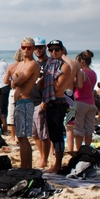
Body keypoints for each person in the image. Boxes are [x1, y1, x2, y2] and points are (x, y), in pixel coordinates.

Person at [41, 40, 72, 173]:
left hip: (58, 102)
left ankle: (58, 165)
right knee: (53, 135)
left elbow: (59, 88)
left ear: (62, 50)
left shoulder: (64, 66)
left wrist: (47, 78)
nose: (54, 52)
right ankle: (56, 164)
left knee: (58, 135)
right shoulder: (49, 64)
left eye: (56, 50)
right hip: (49, 102)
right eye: (51, 50)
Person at [10, 38, 40, 169]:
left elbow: (16, 82)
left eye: (29, 48)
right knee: (21, 137)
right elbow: (12, 82)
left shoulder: (32, 64)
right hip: (19, 102)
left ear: (33, 49)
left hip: (25, 102)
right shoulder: (21, 64)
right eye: (23, 47)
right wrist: (15, 76)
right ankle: (25, 167)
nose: (26, 50)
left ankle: (25, 167)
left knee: (23, 137)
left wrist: (15, 75)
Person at [31, 37, 51, 168]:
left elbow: (53, 84)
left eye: (40, 47)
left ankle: (44, 158)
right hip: (31, 100)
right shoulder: (34, 64)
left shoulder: (50, 63)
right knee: (34, 134)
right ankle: (42, 155)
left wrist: (45, 100)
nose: (37, 50)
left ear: (45, 48)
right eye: (35, 47)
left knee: (43, 134)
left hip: (42, 101)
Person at [73, 50, 98, 150]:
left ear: (82, 61)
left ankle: (79, 150)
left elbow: (80, 85)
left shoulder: (81, 73)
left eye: (77, 62)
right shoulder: (94, 73)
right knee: (89, 129)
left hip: (80, 102)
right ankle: (87, 149)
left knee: (78, 129)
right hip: (91, 103)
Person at [61, 48, 80, 152]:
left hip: (59, 94)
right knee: (70, 125)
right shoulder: (75, 63)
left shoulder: (57, 62)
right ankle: (70, 149)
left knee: (55, 123)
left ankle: (52, 150)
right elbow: (80, 84)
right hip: (70, 95)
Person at [4, 49, 24, 143]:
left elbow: (5, 81)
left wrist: (12, 81)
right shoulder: (26, 66)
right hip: (24, 90)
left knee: (12, 114)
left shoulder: (11, 66)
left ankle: (13, 136)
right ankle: (21, 135)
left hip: (13, 91)